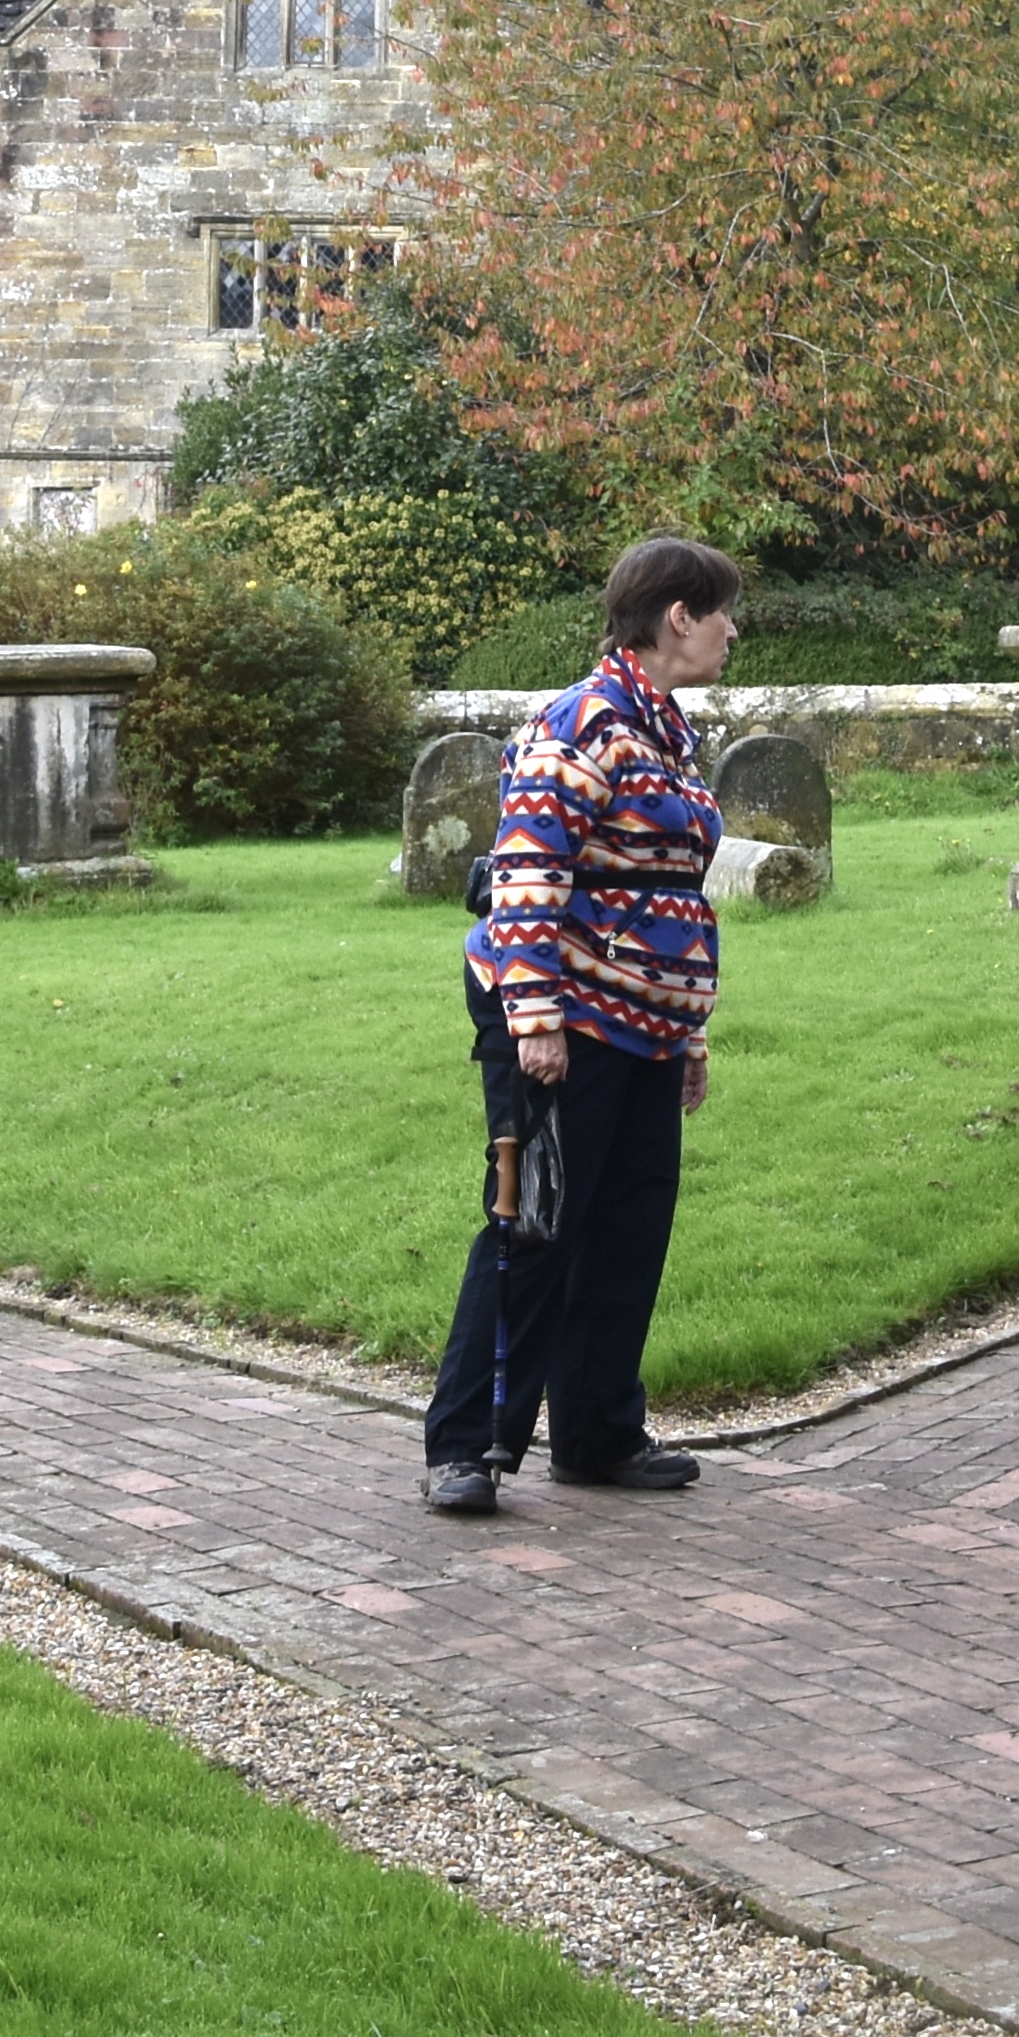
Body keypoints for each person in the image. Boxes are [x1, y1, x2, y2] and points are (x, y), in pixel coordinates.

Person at [424, 536, 741, 1515]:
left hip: (647, 1024)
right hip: (566, 1012)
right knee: (535, 1225)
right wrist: (533, 1018)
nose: (734, 631)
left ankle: (597, 1433)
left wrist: (685, 1034)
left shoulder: (666, 731)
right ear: (675, 616)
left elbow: (674, 892)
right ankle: (467, 1447)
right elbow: (525, 875)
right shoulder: (580, 722)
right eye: (722, 611)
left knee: (629, 1226)